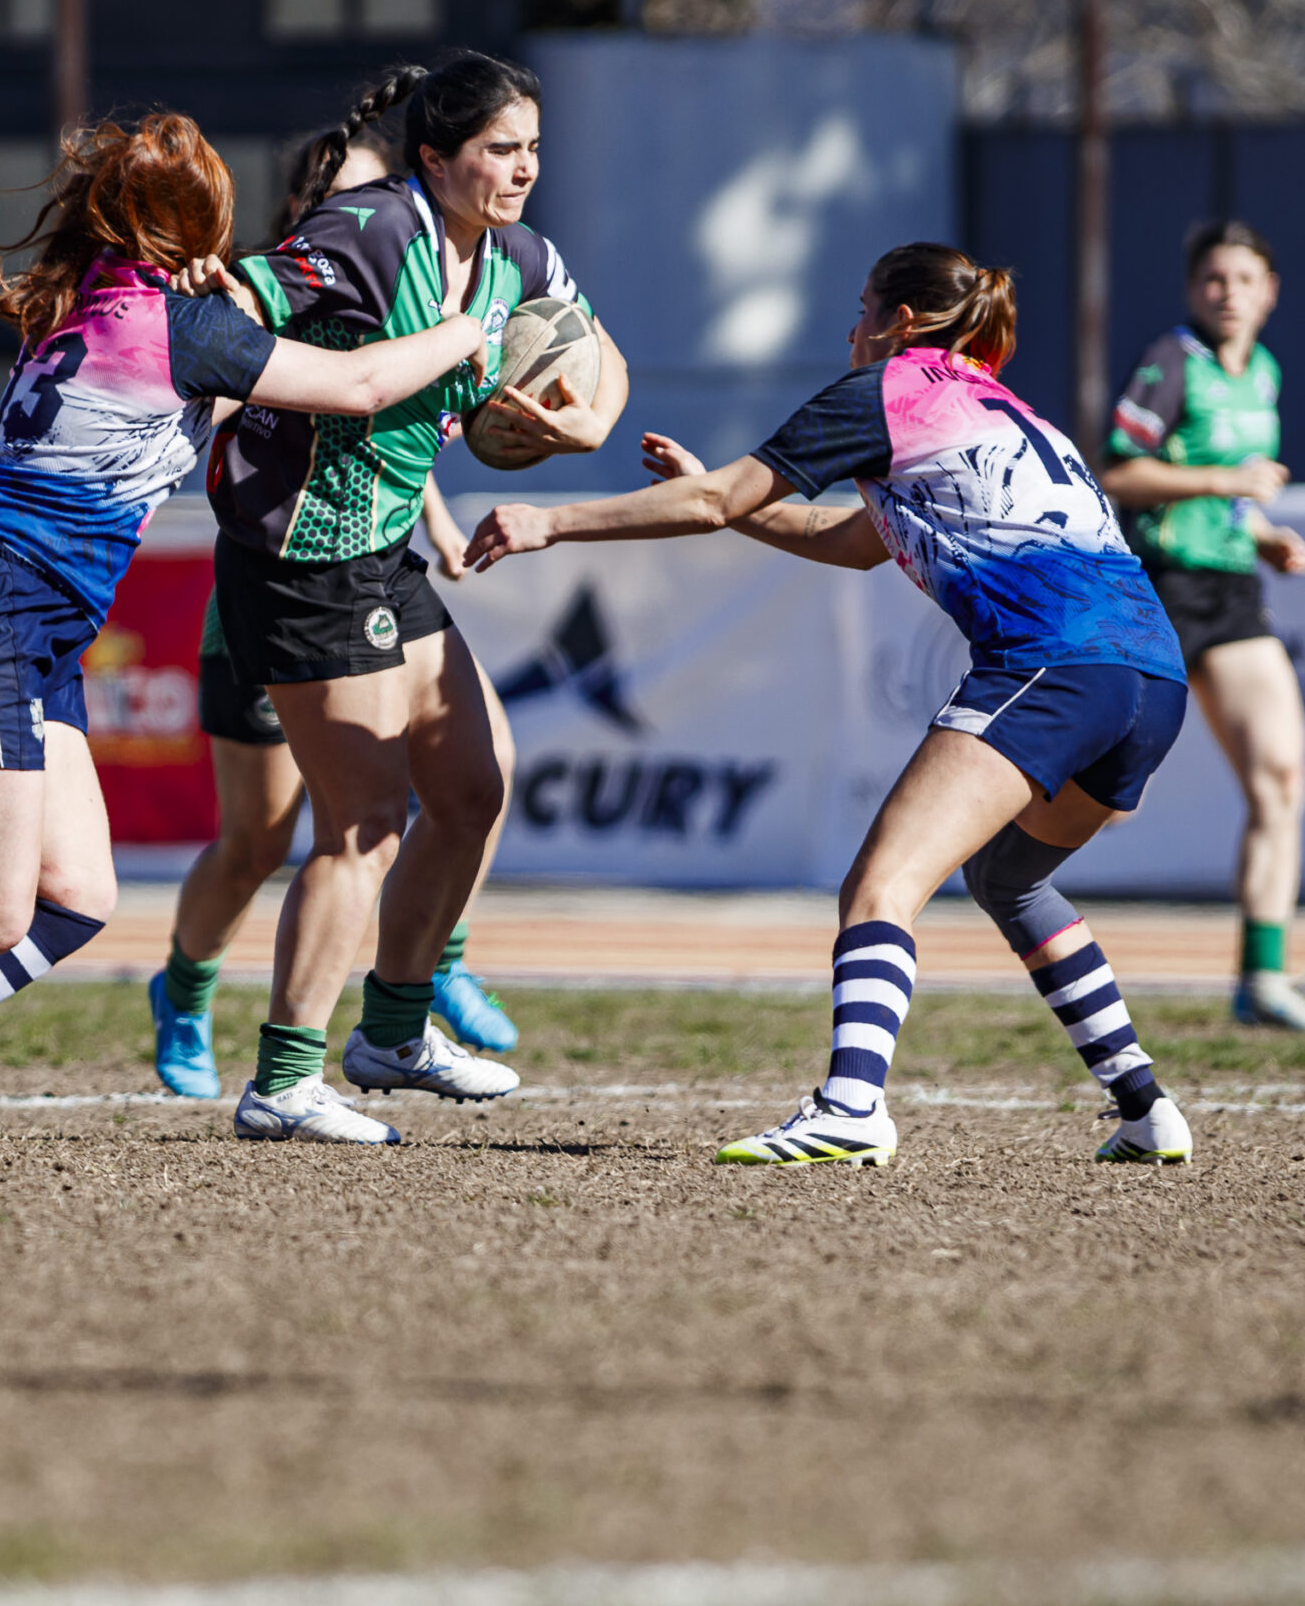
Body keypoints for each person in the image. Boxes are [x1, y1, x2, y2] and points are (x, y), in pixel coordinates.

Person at [0, 111, 497, 1146]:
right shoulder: (183, 326)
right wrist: (472, 327)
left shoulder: (94, 298)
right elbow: (356, 386)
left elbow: (228, 394)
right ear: (194, 227)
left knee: (74, 898)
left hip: (21, 618)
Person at [466, 242, 1195, 1167]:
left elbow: (717, 501)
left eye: (862, 309)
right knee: (1010, 879)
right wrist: (722, 496)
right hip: (1152, 676)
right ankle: (1145, 1106)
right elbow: (851, 540)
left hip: (1057, 661)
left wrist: (551, 520)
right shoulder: (1007, 410)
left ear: (900, 321)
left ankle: (852, 1106)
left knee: (880, 886)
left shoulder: (886, 390)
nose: (852, 329)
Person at [193, 51, 627, 1144]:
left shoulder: (521, 256)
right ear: (434, 158)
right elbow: (238, 302)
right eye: (500, 149)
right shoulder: (372, 228)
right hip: (298, 553)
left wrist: (591, 420)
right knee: (363, 822)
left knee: (475, 784)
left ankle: (391, 1032)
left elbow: (599, 351)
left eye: (533, 148)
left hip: (381, 550)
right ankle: (283, 1082)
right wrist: (217, 302)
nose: (524, 169)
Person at [149, 117, 521, 1103]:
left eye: (380, 195)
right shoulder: (279, 295)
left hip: (374, 569)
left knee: (468, 778)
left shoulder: (425, 273)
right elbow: (306, 401)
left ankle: (426, 974)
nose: (372, 214)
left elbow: (391, 431)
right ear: (307, 211)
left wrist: (441, 517)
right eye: (348, 199)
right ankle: (185, 991)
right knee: (262, 840)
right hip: (281, 581)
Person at [1100, 221, 1305, 1028]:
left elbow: (1233, 501)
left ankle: (1262, 977)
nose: (1229, 294)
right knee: (1107, 800)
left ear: (1270, 291)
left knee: (1282, 776)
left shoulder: (1264, 372)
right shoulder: (1172, 361)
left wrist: (1262, 535)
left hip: (1232, 593)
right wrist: (1228, 481)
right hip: (1161, 588)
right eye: (1214, 279)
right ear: (1193, 289)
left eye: (1244, 279)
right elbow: (1120, 471)